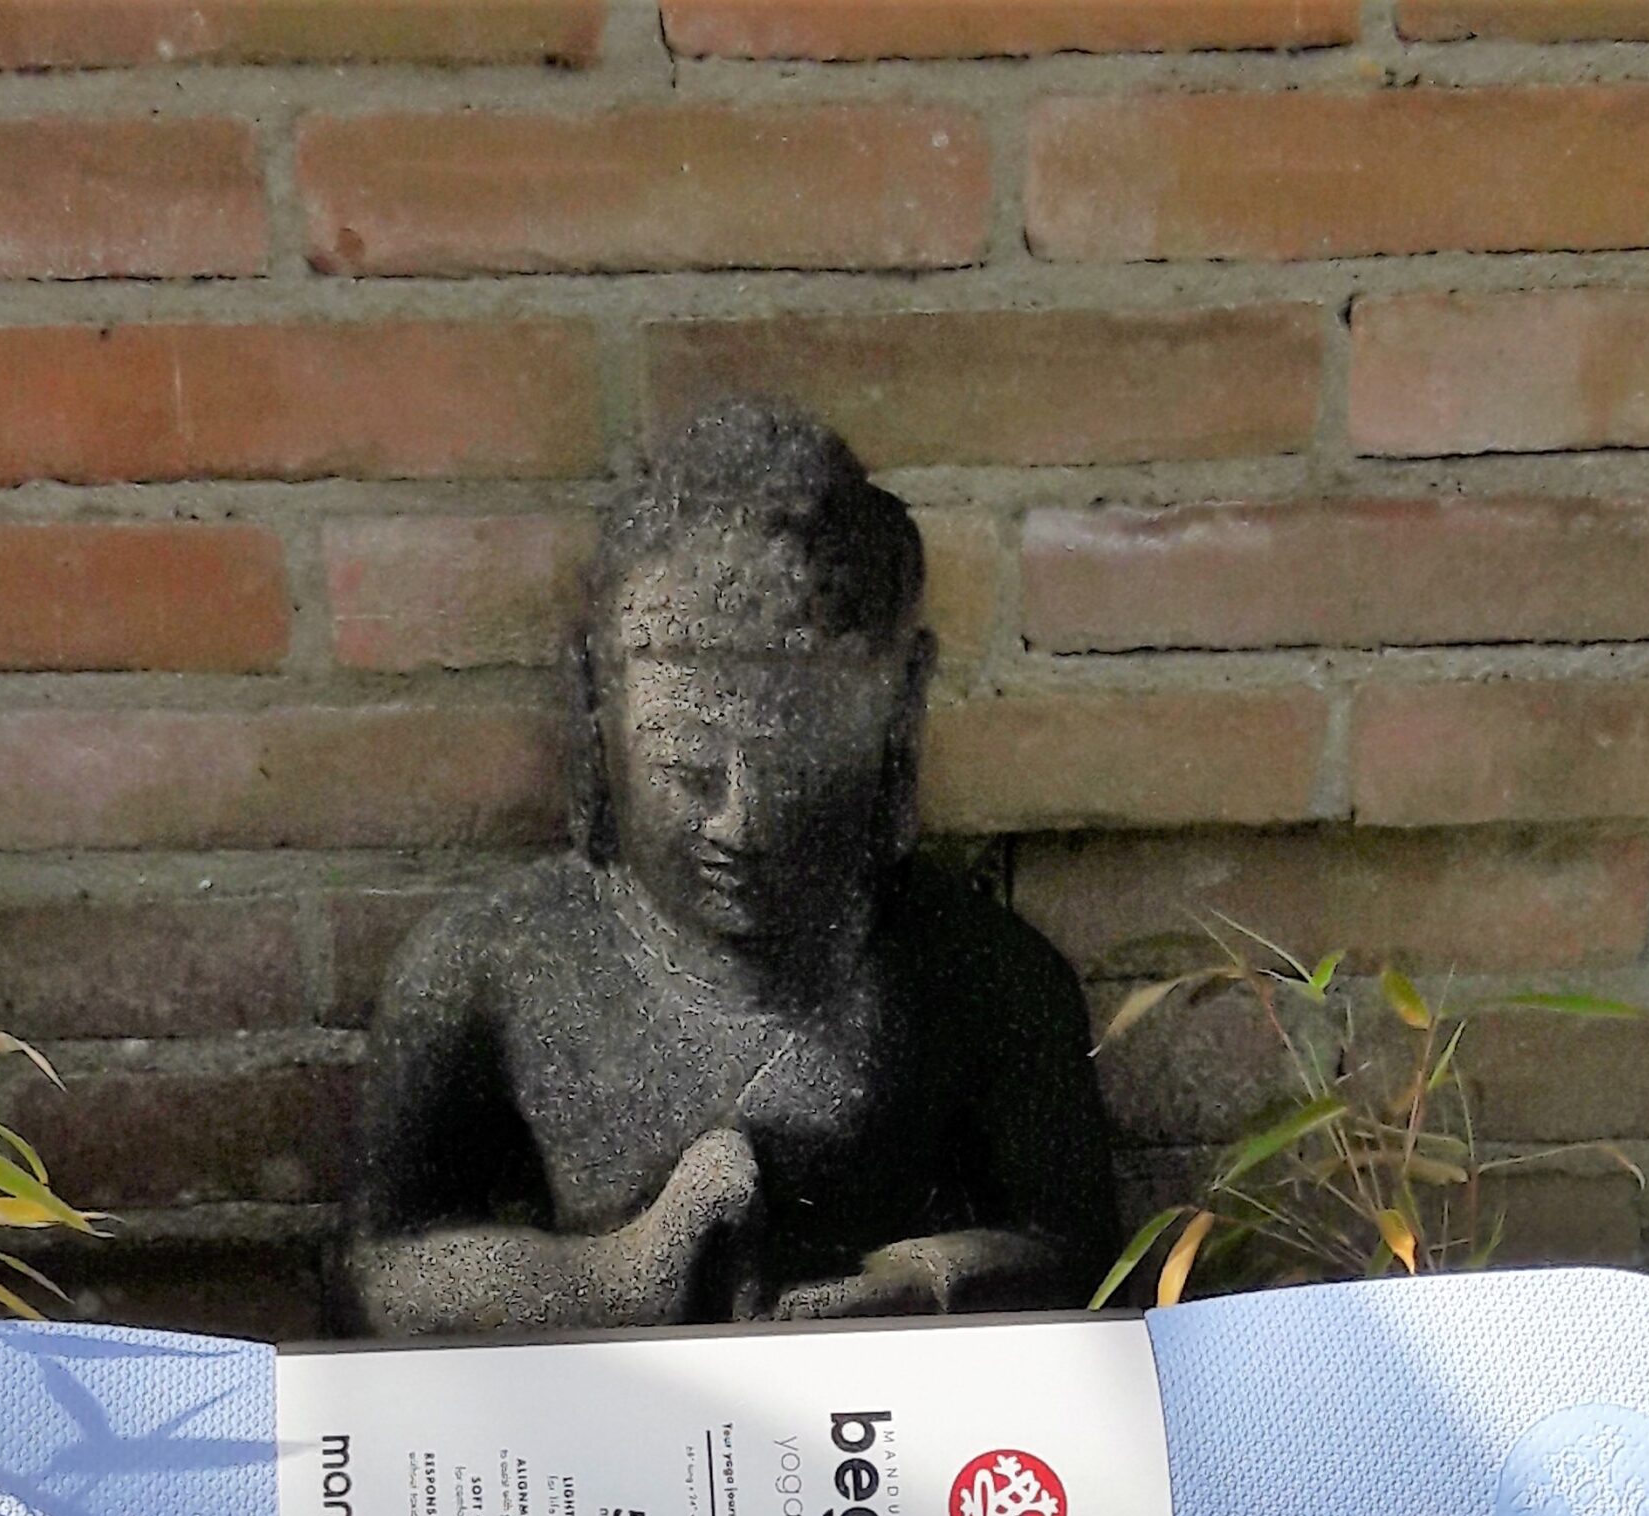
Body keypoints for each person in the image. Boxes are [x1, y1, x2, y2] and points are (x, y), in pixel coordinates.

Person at [344, 401, 1117, 1336]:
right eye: (688, 769)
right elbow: (375, 1276)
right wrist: (622, 1277)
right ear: (594, 708)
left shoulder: (984, 976)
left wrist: (921, 1285)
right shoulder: (487, 965)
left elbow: (1087, 1267)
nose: (742, 824)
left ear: (901, 711)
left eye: (797, 769)